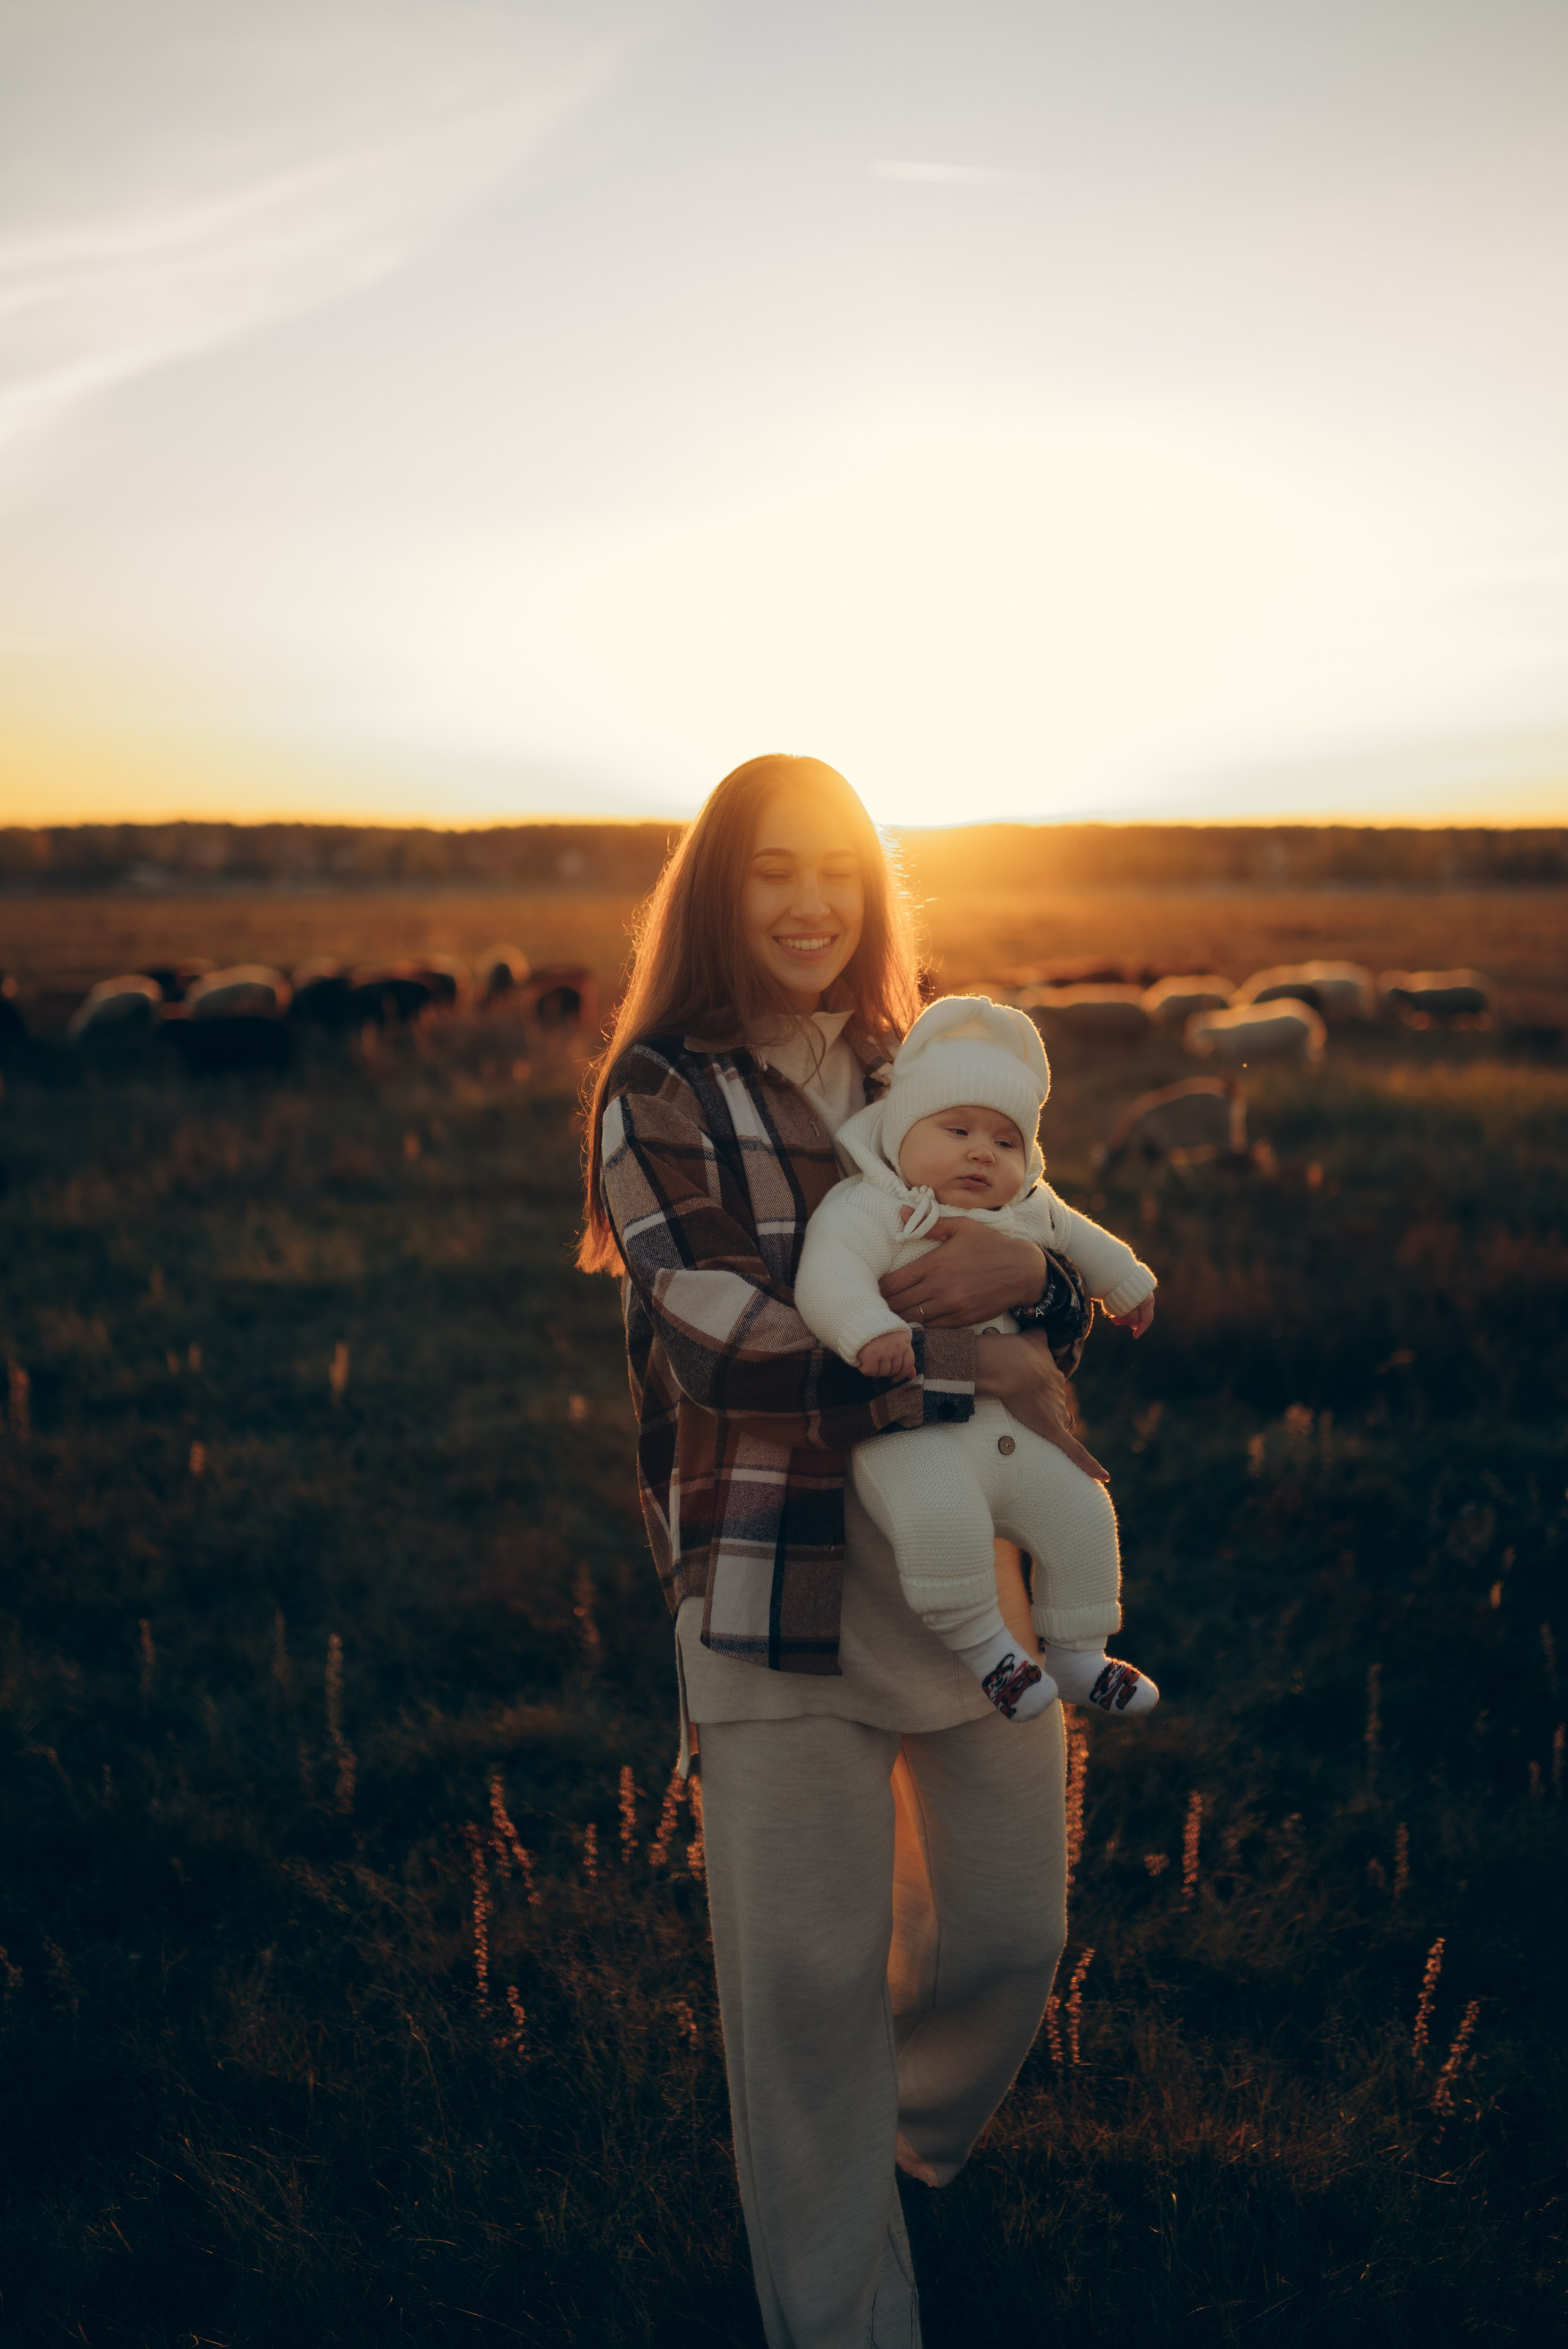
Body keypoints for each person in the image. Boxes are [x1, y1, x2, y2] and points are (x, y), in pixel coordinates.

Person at [579, 753, 1115, 2348]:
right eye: (772, 870)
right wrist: (973, 1359)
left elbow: (1040, 1248)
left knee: (1011, 1933)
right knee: (805, 1994)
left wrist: (1044, 1294)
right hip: (770, 1576)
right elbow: (716, 1338)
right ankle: (844, 2306)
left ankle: (898, 2136)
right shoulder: (660, 1090)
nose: (810, 902)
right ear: (718, 892)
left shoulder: (921, 1053)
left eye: (837, 869)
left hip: (968, 1582)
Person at [794, 991, 1159, 1724]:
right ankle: (990, 1652)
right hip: (915, 1430)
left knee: (1082, 1512)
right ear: (900, 1130)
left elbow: (1079, 1238)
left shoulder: (1030, 1206)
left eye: (1004, 1141)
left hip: (1013, 1431)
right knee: (939, 1518)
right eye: (956, 1129)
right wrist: (867, 1328)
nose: (981, 1152)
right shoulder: (871, 1206)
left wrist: (1125, 1281)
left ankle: (1079, 1653)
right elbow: (827, 1273)